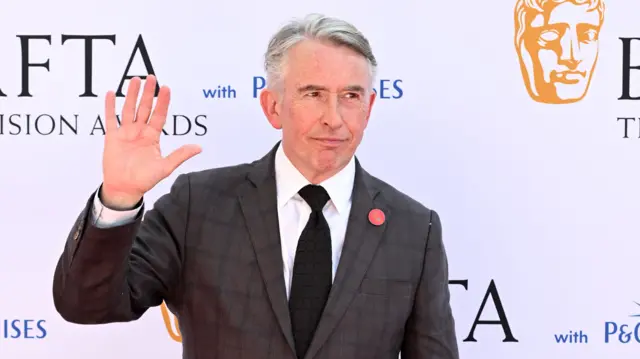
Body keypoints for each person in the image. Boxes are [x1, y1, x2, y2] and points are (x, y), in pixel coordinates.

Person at [52, 13, 459, 359]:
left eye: (350, 95)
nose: (333, 118)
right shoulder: (199, 205)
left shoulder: (413, 228)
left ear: (369, 108)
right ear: (273, 106)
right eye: (313, 94)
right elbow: (86, 304)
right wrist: (120, 199)